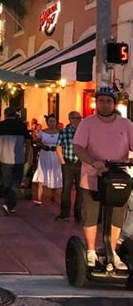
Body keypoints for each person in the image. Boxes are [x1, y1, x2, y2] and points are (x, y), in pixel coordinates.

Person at [73, 86, 132, 270]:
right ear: (96, 103)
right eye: (101, 101)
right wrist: (93, 162)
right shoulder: (87, 124)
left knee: (116, 216)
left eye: (108, 101)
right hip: (92, 178)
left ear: (114, 104)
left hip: (117, 178)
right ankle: (90, 251)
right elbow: (78, 148)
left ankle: (112, 251)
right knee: (91, 214)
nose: (105, 104)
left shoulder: (126, 124)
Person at [0, 106, 31, 216]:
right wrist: (27, 154)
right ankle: (10, 203)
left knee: (7, 179)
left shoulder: (0, 125)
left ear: (5, 114)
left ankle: (8, 202)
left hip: (4, 157)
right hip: (18, 157)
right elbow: (28, 142)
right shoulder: (22, 125)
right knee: (16, 181)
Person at [55, 111, 83, 222]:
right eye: (75, 118)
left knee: (80, 190)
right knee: (66, 189)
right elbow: (58, 147)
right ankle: (64, 213)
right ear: (70, 119)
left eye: (79, 118)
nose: (78, 120)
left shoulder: (84, 132)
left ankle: (78, 214)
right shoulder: (64, 132)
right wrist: (62, 161)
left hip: (81, 163)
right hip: (68, 163)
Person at [31, 114, 63, 205]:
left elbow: (62, 144)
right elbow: (37, 141)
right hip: (44, 154)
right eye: (50, 121)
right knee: (42, 173)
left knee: (55, 173)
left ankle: (54, 196)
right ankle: (39, 197)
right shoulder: (42, 132)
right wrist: (41, 145)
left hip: (55, 155)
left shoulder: (60, 133)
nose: (52, 123)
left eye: (53, 121)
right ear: (47, 122)